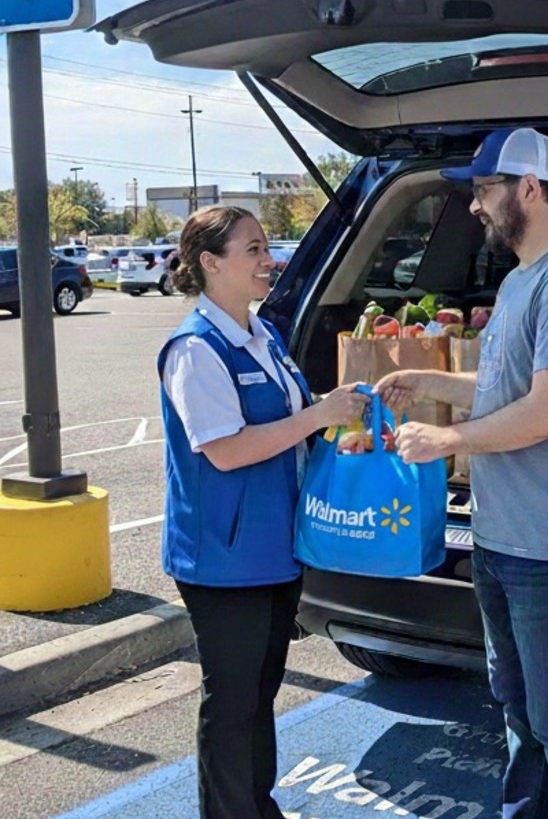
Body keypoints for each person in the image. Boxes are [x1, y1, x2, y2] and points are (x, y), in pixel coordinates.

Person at [376, 127, 548, 819]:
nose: (476, 206)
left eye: (485, 190)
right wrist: (435, 381)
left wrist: (447, 437)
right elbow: (513, 386)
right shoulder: (524, 279)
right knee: (518, 712)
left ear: (531, 189)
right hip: (503, 540)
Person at [158, 205, 367, 819]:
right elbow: (226, 451)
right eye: (252, 249)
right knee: (232, 702)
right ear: (210, 263)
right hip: (222, 558)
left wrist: (338, 407)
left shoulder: (262, 334)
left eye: (265, 246)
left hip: (274, 548)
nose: (268, 260)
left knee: (259, 693)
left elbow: (294, 420)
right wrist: (316, 417)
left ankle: (257, 807)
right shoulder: (195, 351)